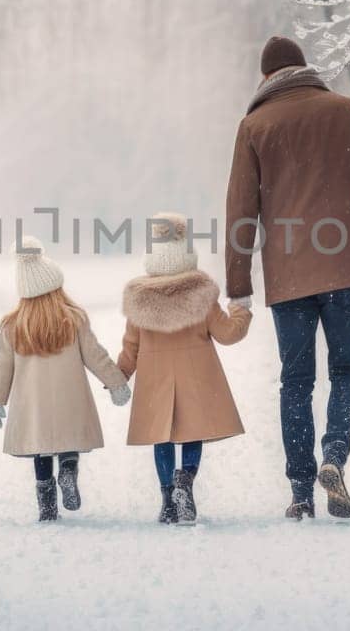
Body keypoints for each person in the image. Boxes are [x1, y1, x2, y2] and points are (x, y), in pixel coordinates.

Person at [225, 35, 350, 520]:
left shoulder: (254, 126)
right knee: (347, 370)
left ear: (266, 78)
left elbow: (240, 212)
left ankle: (302, 491)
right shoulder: (343, 109)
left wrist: (239, 287)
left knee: (296, 381)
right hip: (346, 268)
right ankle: (334, 455)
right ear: (303, 69)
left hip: (288, 278)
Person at [0, 237, 132, 522]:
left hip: (34, 406)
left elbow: (1, 368)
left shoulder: (13, 326)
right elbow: (96, 356)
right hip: (70, 400)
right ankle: (68, 469)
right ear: (57, 287)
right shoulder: (73, 318)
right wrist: (116, 383)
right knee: (67, 442)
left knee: (40, 451)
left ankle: (48, 508)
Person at [118, 213, 250, 525]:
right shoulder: (201, 291)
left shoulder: (139, 298)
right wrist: (240, 310)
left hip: (155, 382)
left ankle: (167, 501)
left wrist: (118, 377)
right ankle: (185, 480)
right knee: (193, 433)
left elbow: (130, 348)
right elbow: (227, 333)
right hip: (196, 378)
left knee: (161, 439)